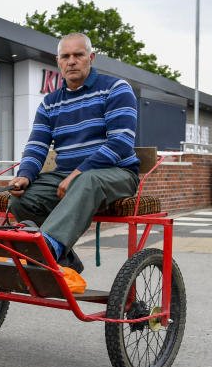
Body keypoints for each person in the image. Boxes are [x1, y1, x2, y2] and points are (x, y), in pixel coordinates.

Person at [8, 32, 140, 272]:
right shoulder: (50, 102)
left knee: (87, 180)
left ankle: (47, 250)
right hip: (69, 176)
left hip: (117, 174)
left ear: (91, 57)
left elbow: (121, 141)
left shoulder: (116, 89)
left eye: (78, 55)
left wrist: (78, 172)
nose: (72, 61)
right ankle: (64, 257)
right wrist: (25, 174)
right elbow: (37, 145)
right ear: (58, 61)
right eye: (65, 56)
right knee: (20, 199)